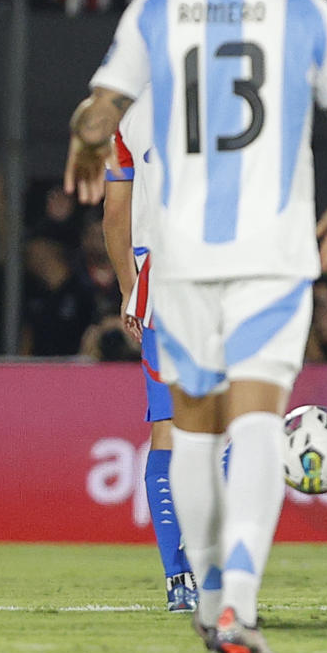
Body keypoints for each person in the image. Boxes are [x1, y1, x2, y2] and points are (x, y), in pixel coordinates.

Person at [63, 0, 327, 653]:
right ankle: (236, 605)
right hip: (272, 256)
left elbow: (100, 115)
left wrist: (81, 141)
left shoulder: (154, 9)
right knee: (255, 426)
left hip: (175, 257)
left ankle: (205, 595)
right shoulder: (308, 12)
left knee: (195, 437)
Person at [101, 94, 194, 614]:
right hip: (219, 278)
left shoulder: (129, 116)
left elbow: (115, 216)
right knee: (224, 428)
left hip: (156, 287)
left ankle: (178, 579)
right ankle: (218, 568)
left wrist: (129, 289)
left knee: (168, 433)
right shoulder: (230, 89)